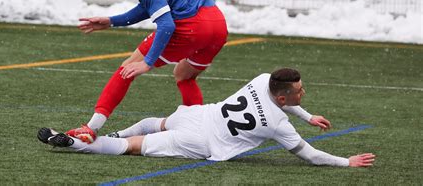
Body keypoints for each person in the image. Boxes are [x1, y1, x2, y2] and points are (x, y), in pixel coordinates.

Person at [66, 0, 229, 143]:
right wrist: (111, 21)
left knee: (127, 68)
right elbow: (150, 5)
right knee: (184, 75)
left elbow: (166, 24)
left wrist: (148, 62)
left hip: (192, 27)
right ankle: (194, 128)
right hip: (217, 25)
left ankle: (90, 128)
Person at [38, 68, 375, 167]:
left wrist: (306, 114)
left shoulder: (261, 78)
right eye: (300, 92)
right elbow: (311, 155)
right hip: (201, 141)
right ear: (284, 96)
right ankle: (77, 145)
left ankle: (91, 134)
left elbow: (282, 101)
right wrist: (347, 162)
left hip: (197, 116)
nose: (304, 94)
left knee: (150, 122)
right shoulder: (278, 125)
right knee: (131, 147)